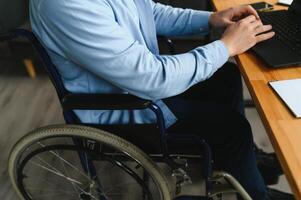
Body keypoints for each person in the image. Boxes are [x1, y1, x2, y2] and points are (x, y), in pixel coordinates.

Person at [29, 0, 293, 199]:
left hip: (138, 84)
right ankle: (255, 191)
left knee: (225, 77)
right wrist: (226, 47)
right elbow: (153, 79)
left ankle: (235, 168)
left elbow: (149, 12)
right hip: (123, 107)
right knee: (233, 130)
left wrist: (211, 18)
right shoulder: (65, 6)